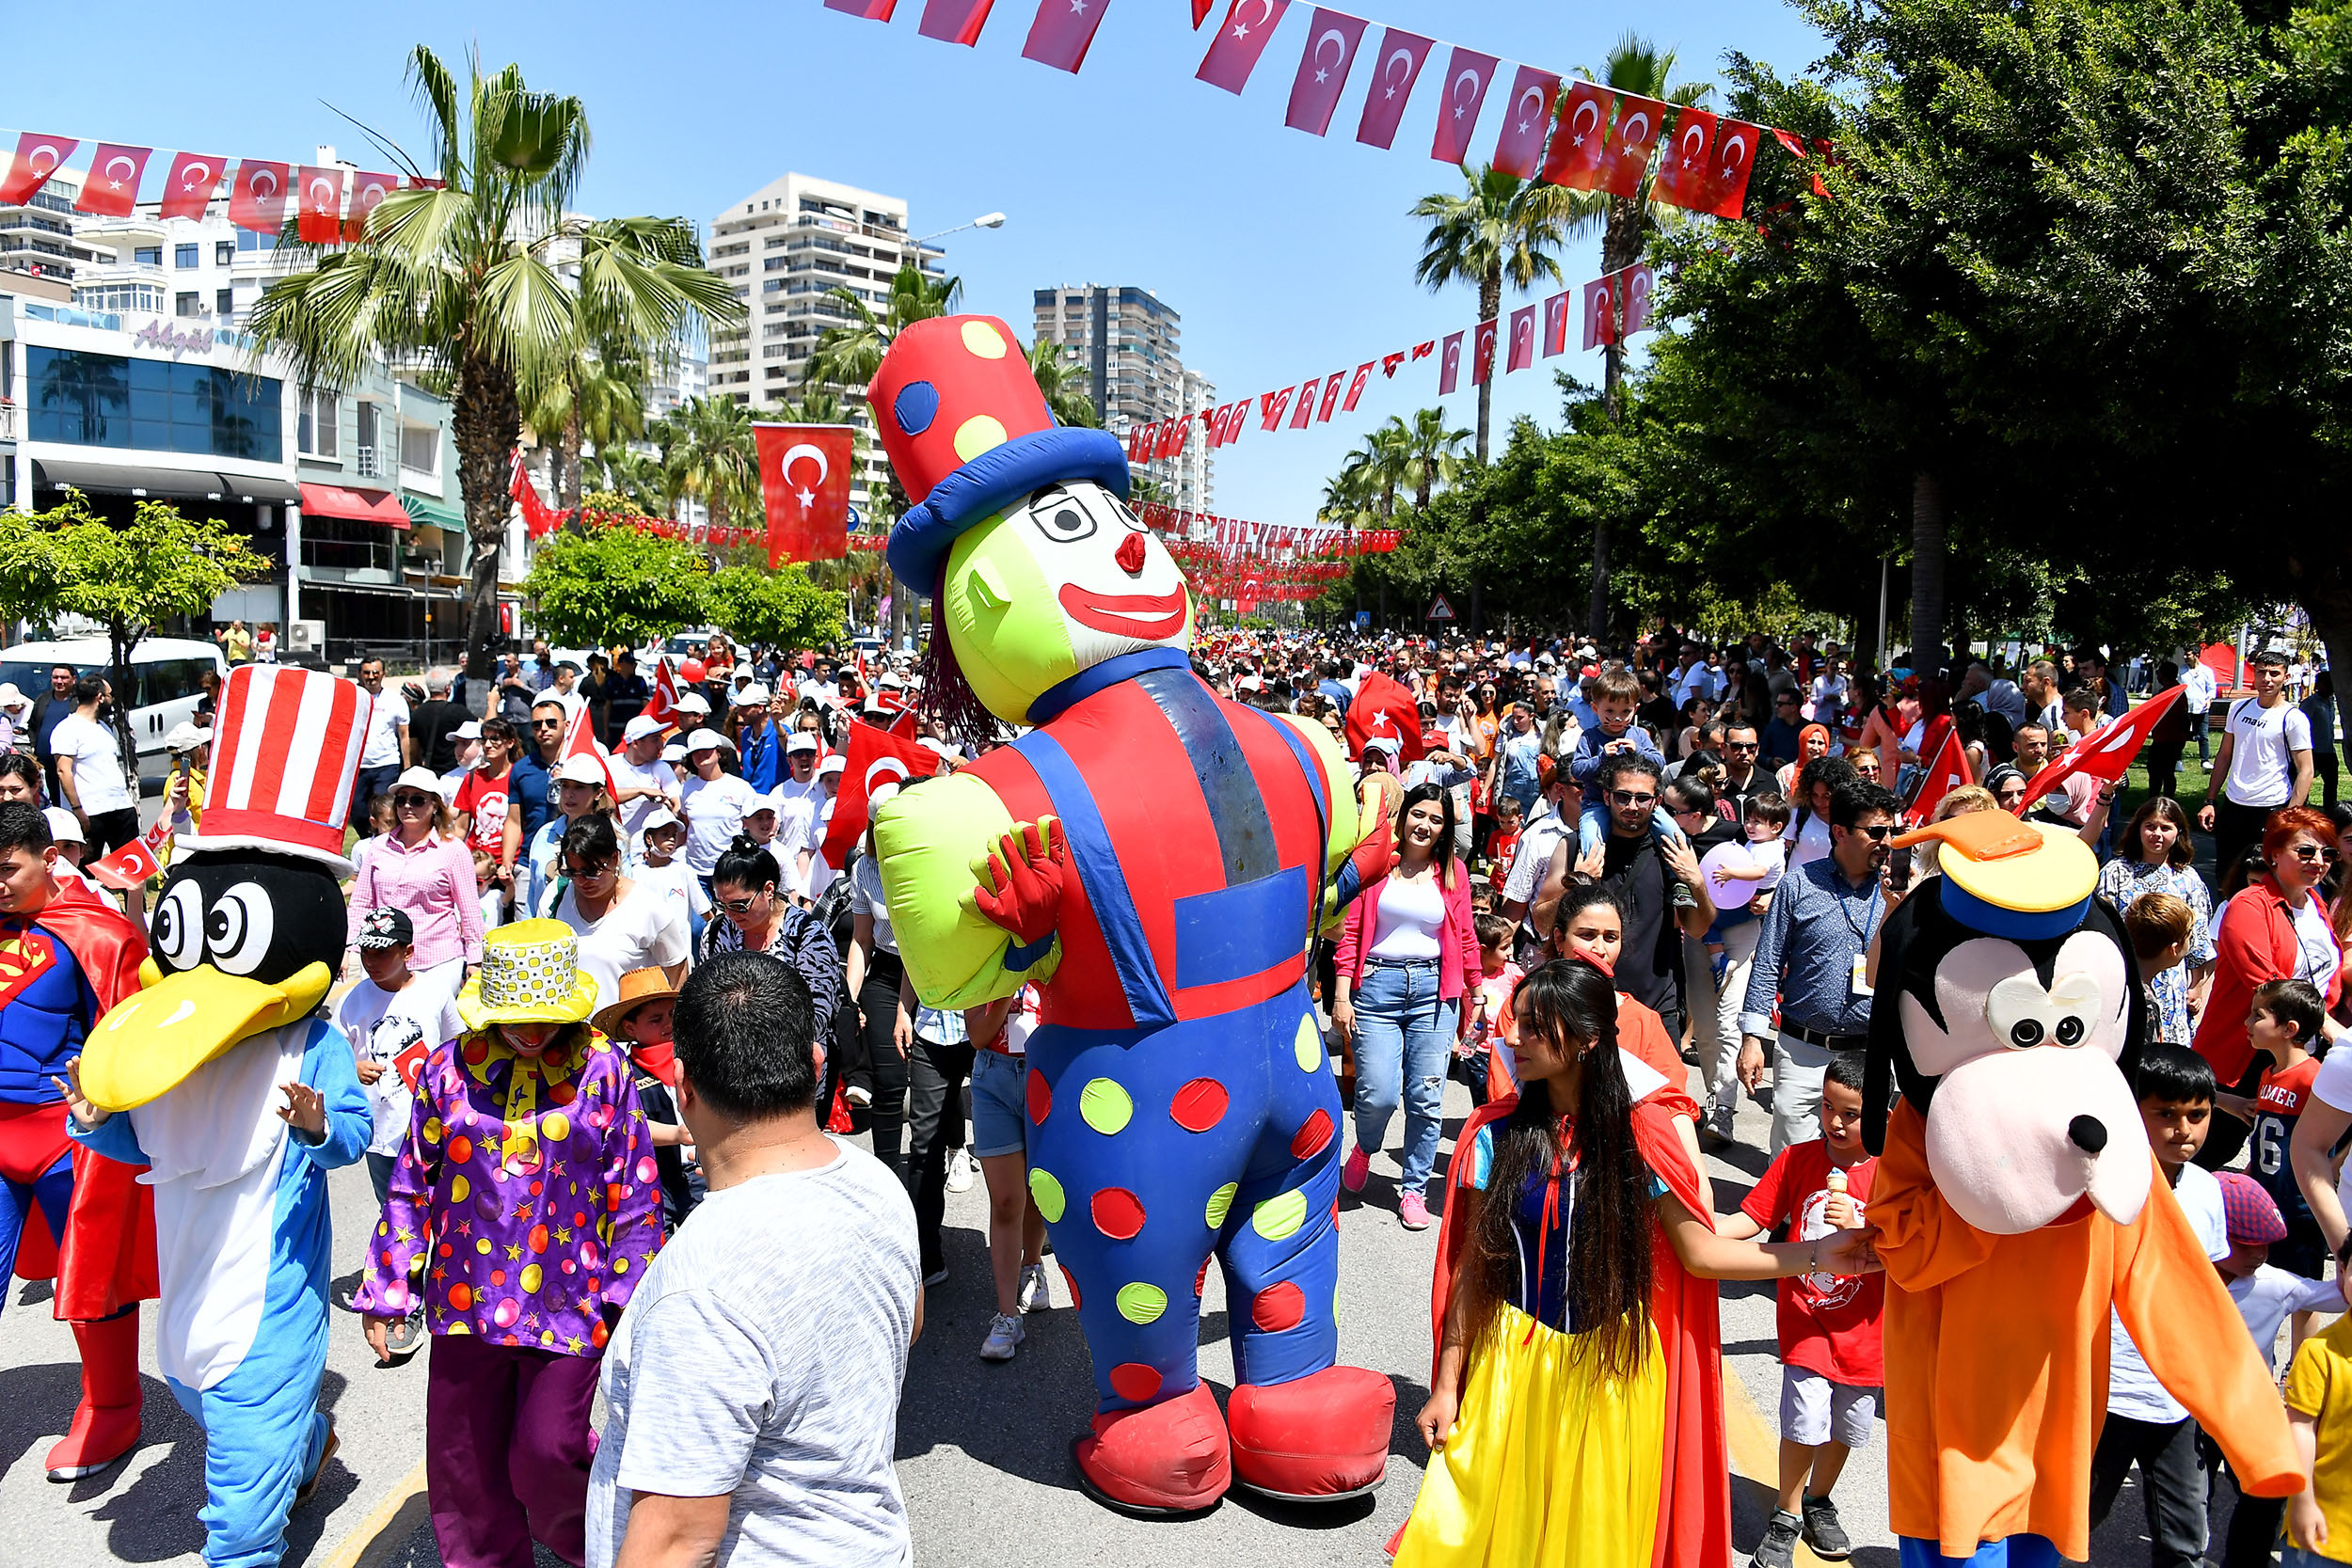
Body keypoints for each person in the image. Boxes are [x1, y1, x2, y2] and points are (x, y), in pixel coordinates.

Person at [1396, 958, 1878, 1568]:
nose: (1513, 1038)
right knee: (1494, 1535)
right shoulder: (1495, 1134)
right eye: (1514, 1022)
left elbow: (1702, 1254)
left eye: (1534, 1026)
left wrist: (1814, 1254)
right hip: (1509, 1370)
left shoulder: (1643, 1133)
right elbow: (1474, 1270)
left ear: (1587, 1039)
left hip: (1614, 1373)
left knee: (1590, 1542)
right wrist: (1446, 1383)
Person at [584, 953, 920, 1568]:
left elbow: (676, 1542)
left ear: (682, 1088)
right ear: (817, 1067)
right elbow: (909, 1320)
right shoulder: (880, 1186)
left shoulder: (700, 1285)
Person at [355, 921, 660, 1568]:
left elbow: (634, 1189)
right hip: (467, 1299)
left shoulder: (603, 1066)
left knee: (547, 1453)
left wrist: (629, 1296)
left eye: (544, 1015)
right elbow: (411, 1184)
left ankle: (606, 1548)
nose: (530, 1028)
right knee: (465, 1467)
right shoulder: (447, 1070)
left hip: (570, 1302)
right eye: (516, 1014)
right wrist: (389, 1289)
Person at [1716, 1053, 1883, 1568]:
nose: (1834, 1121)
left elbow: (1913, 1247)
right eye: (1827, 1106)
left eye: (1851, 1113)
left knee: (1847, 1425)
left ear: (1881, 1114)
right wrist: (1701, 1232)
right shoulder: (1797, 1160)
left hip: (1865, 1330)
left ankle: (1818, 1498)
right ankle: (1787, 1513)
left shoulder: (1893, 1176)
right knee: (1803, 1419)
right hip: (1806, 1318)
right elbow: (1751, 1218)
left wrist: (1864, 1219)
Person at [2088, 1045, 2233, 1568]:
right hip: (2106, 1393)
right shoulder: (2102, 1190)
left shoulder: (2208, 1191)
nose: (2183, 1129)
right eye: (2166, 1114)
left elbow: (2209, 1289)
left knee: (2185, 1538)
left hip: (2178, 1399)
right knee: (2072, 1522)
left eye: (2197, 1114)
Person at [1331, 782, 1483, 1230]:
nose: (1426, 825)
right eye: (1419, 814)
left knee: (1425, 1096)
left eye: (1437, 819)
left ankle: (1413, 1188)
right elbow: (1352, 934)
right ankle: (1365, 1147)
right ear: (1404, 816)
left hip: (1435, 992)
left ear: (1445, 828)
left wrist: (1476, 992)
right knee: (1376, 1092)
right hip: (1377, 985)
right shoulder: (1380, 866)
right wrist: (1342, 994)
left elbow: (1467, 938)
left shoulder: (1451, 871)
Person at [1740, 783, 1903, 1154]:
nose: (1888, 841)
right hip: (1803, 1047)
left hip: (1870, 1052)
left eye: (1893, 830)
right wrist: (1751, 1038)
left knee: (1863, 1161)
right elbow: (1767, 963)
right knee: (1792, 1151)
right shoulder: (1798, 884)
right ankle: (1785, 1214)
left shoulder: (1899, 891)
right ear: (1840, 832)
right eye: (1877, 831)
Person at [327, 907, 461, 1357]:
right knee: (399, 1216)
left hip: (432, 1130)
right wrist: (353, 1067)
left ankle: (449, 1286)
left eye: (383, 952)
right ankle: (409, 1298)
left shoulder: (435, 992)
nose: (373, 960)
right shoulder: (353, 1000)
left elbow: (456, 1050)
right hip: (382, 1134)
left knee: (443, 1211)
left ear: (408, 952)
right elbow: (334, 1056)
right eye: (366, 951)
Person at [2196, 805, 2346, 1167]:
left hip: (2302, 1050)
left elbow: (2326, 973)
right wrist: (2334, 1031)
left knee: (2284, 1153)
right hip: (2246, 1049)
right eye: (2306, 851)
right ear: (2274, 854)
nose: (2318, 861)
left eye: (2327, 853)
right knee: (2210, 1148)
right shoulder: (2248, 904)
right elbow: (2268, 986)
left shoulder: (2315, 903)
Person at [343, 768, 483, 1008]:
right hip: (383, 956)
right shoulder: (378, 847)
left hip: (436, 959)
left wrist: (475, 961)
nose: (407, 806)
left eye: (417, 799)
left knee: (431, 1037)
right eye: (401, 800)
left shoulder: (453, 851)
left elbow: (470, 910)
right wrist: (349, 948)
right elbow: (361, 903)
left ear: (435, 805)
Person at [1698, 791, 1791, 1143]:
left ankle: (1723, 1109)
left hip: (1748, 921)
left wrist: (1732, 876)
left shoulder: (1769, 850)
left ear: (1777, 826)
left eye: (1757, 821)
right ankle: (1717, 958)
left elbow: (1762, 874)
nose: (1750, 825)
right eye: (1748, 819)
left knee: (1728, 1021)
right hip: (1732, 908)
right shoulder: (1745, 842)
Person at [965, 986, 1051, 1361]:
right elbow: (978, 1035)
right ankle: (1006, 1315)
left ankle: (1032, 1263)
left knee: (1037, 1190)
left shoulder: (1050, 946)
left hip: (1048, 1073)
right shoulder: (979, 952)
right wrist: (1003, 987)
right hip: (993, 1078)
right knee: (1005, 1200)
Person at [2099, 797, 2217, 1041]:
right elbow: (2102, 927)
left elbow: (2200, 938)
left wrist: (2196, 986)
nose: (2157, 834)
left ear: (2179, 832)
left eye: (2166, 828)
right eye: (2150, 826)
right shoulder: (2116, 872)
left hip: (2173, 979)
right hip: (2125, 974)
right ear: (2138, 828)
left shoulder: (2189, 878)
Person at [549, 813, 690, 1016]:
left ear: (615, 859)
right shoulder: (556, 896)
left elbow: (676, 973)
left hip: (626, 1042)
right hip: (568, 1039)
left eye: (591, 872)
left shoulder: (649, 908)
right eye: (572, 872)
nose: (581, 881)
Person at [594, 968, 699, 1235]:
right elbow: (628, 1123)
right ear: (630, 1028)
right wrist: (677, 1134)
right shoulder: (624, 1073)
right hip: (652, 1180)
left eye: (672, 1015)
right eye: (655, 1019)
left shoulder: (695, 1059)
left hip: (699, 1174)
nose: (668, 1024)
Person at [2203, 645, 2316, 876]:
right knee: (2228, 873)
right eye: (2261, 672)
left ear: (2285, 678)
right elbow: (2224, 756)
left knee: (2265, 875)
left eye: (2274, 673)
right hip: (2235, 804)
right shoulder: (2238, 708)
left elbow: (2306, 770)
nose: (2266, 679)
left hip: (2271, 806)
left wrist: (2290, 815)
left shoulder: (2293, 718)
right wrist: (2210, 800)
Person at [844, 786, 911, 1172]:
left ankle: (950, 1150)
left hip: (931, 971)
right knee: (889, 1081)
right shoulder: (864, 867)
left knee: (936, 1082)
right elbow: (861, 939)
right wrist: (850, 999)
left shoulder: (927, 859)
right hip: (886, 971)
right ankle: (886, 1173)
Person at [2281, 1250, 2352, 1567]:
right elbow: (2300, 1428)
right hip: (2325, 1530)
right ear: (2341, 1270)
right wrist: (2303, 1501)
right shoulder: (2319, 1352)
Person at [50, 676, 137, 859]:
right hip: (91, 812)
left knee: (129, 863)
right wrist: (77, 809)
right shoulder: (66, 729)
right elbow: (63, 771)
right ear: (100, 697)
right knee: (88, 866)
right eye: (110, 695)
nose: (112, 699)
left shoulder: (103, 727)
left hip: (120, 808)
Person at [454, 716, 524, 930]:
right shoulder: (473, 778)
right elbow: (461, 826)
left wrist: (508, 863)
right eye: (485, 739)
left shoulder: (519, 775)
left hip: (510, 866)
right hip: (478, 867)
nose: (488, 744)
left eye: (495, 739)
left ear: (510, 742)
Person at [679, 729, 757, 894]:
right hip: (696, 872)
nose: (701, 755)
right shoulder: (687, 788)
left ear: (718, 752)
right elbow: (686, 826)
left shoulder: (740, 787)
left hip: (732, 870)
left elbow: (756, 823)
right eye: (696, 752)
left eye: (706, 750)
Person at [351, 659, 412, 830]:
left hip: (386, 763)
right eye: (367, 673)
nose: (371, 677)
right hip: (359, 765)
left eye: (375, 672)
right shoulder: (353, 697)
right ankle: (366, 839)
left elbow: (404, 734)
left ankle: (385, 841)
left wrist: (407, 767)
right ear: (359, 674)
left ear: (383, 674)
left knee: (384, 808)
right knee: (357, 810)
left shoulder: (396, 700)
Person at [2306, 669, 2340, 812]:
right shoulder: (2311, 703)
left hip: (2328, 749)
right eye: (2328, 684)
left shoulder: (2331, 701)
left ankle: (2330, 810)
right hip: (2312, 750)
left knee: (2332, 783)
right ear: (2319, 685)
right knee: (2304, 780)